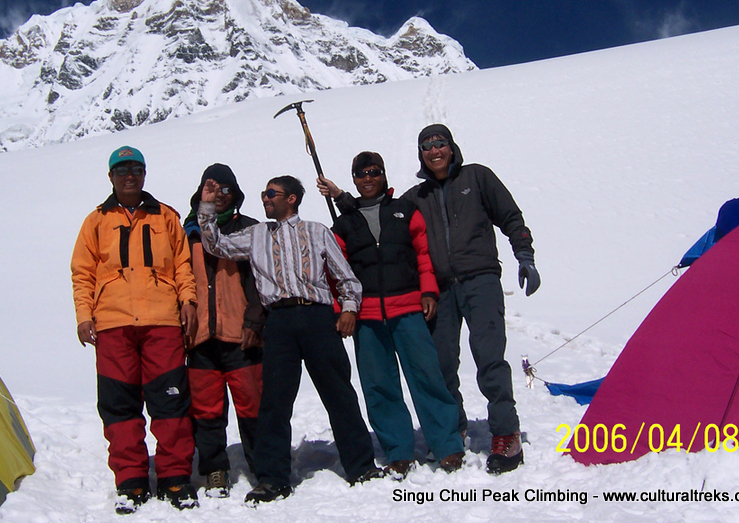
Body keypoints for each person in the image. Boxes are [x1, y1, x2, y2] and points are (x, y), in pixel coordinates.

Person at [197, 175, 380, 505]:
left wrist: (349, 308)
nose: (265, 199)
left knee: (339, 392)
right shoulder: (255, 235)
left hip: (317, 317)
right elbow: (216, 245)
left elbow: (345, 275)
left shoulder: (317, 230)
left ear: (292, 198)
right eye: (263, 194)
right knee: (274, 402)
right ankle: (272, 478)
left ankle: (361, 466)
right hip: (278, 321)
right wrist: (207, 206)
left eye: (271, 194)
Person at [401, 124, 540, 474]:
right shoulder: (415, 198)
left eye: (440, 144)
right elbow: (383, 222)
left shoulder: (477, 177)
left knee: (490, 357)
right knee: (443, 363)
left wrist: (525, 256)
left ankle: (506, 434)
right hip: (440, 290)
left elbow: (510, 216)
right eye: (426, 146)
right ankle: (452, 430)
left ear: (451, 147)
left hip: (480, 280)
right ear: (420, 155)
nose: (434, 151)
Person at [318, 151, 465, 479]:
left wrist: (428, 291)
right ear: (354, 179)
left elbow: (423, 255)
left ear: (383, 175)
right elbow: (336, 272)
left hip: (408, 309)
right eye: (361, 174)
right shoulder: (343, 223)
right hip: (367, 316)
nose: (367, 179)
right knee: (379, 385)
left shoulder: (405, 211)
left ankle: (447, 444)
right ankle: (398, 450)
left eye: (373, 172)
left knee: (428, 378)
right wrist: (342, 310)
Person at [71, 146, 199, 513]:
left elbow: (182, 266)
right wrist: (84, 315)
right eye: (123, 169)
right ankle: (131, 480)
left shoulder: (166, 217)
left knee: (171, 402)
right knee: (119, 406)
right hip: (112, 324)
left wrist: (187, 302)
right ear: (110, 176)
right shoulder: (96, 221)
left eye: (137, 169)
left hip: (162, 321)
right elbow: (82, 273)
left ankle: (175, 477)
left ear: (145, 174)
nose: (130, 175)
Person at [183, 164, 264, 497]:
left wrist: (255, 322)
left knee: (253, 406)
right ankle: (215, 470)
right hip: (200, 337)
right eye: (211, 188)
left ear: (236, 194)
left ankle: (263, 466)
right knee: (206, 411)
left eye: (225, 189)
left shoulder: (250, 229)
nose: (218, 195)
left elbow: (262, 283)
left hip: (242, 334)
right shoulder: (187, 233)